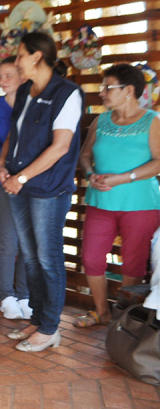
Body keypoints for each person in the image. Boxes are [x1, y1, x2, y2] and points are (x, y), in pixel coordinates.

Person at [0, 32, 83, 353]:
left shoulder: (67, 93)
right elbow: (13, 133)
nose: (16, 61)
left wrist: (21, 177)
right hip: (19, 184)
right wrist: (4, 164)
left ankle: (50, 328)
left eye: (19, 55)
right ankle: (37, 318)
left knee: (48, 258)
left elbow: (60, 146)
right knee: (30, 257)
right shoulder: (25, 92)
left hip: (48, 189)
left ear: (36, 57)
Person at [75, 64, 160, 327]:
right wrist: (90, 174)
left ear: (129, 90)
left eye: (107, 87)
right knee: (91, 257)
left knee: (133, 263)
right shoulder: (100, 121)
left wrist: (123, 178)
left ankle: (126, 319)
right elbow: (85, 155)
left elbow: (159, 161)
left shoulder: (153, 120)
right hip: (101, 201)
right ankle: (102, 311)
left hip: (141, 204)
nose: (102, 93)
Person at [0, 56, 31, 320]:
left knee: (26, 241)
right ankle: (6, 296)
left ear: (23, 76)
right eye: (0, 75)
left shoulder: (31, 106)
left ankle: (24, 296)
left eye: (8, 75)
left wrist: (23, 176)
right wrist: (6, 171)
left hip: (27, 182)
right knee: (8, 241)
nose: (2, 80)